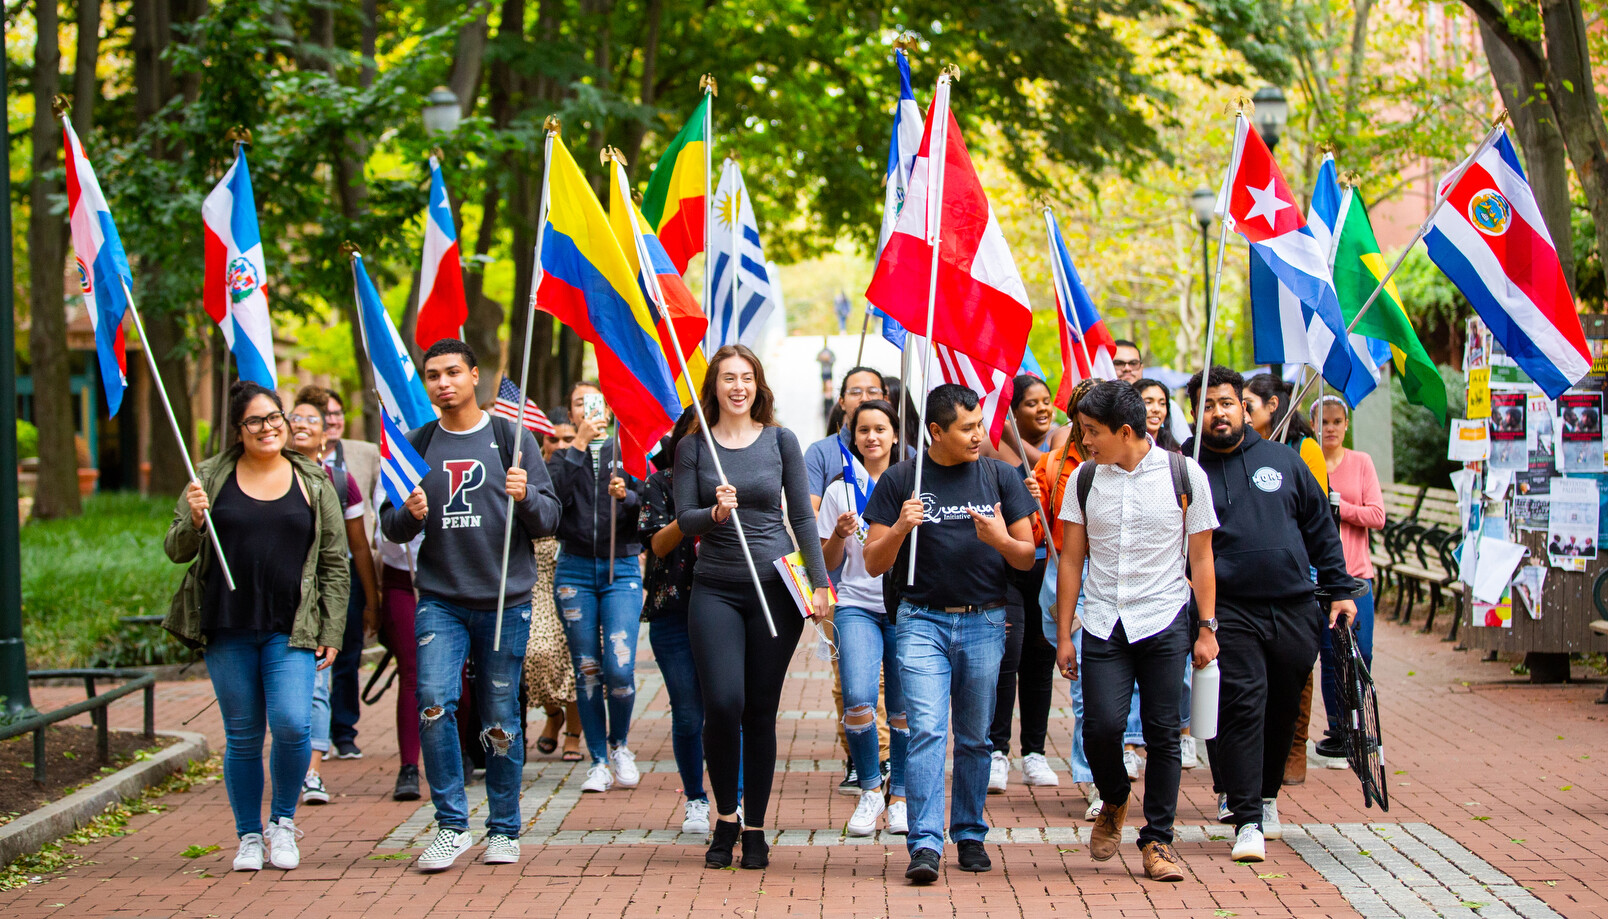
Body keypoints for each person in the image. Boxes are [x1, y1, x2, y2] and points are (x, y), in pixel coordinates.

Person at [380, 339, 562, 873]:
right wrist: (409, 514)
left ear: (474, 376)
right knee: (434, 702)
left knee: (499, 716)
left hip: (505, 600)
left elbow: (549, 520)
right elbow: (389, 526)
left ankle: (505, 830)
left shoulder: (512, 438)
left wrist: (526, 494)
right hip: (441, 599)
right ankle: (451, 826)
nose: (443, 383)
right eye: (433, 375)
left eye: (453, 372)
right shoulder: (417, 444)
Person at [163, 381, 349, 872]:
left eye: (274, 418)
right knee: (243, 736)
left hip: (292, 626)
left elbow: (334, 562)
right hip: (228, 625)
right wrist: (196, 521)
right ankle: (249, 835)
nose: (267, 428)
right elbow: (176, 549)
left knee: (292, 723)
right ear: (237, 429)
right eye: (255, 421)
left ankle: (283, 823)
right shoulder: (208, 477)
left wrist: (333, 630)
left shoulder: (312, 479)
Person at [863, 384, 1038, 884]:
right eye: (967, 428)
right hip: (921, 621)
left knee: (975, 736)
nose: (979, 434)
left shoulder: (1000, 474)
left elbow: (1027, 555)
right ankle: (923, 843)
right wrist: (899, 528)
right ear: (936, 431)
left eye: (980, 424)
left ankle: (969, 832)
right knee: (926, 731)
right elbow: (874, 562)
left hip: (985, 620)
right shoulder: (902, 479)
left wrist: (998, 538)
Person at [1184, 366, 1356, 864]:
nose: (1217, 412)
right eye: (1206, 404)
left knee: (1283, 711)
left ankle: (1264, 795)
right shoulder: (1183, 469)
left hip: (1295, 607)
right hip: (1229, 612)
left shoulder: (1284, 459)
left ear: (1244, 406)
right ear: (1195, 411)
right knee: (1243, 704)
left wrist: (1340, 589)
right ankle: (1246, 819)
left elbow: (1320, 525)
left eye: (1226, 402)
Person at [1053, 381, 1219, 882]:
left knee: (1165, 733)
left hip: (1165, 617)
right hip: (1104, 621)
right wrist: (1064, 633)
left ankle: (1159, 841)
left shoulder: (1183, 473)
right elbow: (1071, 558)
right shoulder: (1084, 479)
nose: (1084, 443)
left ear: (1126, 431)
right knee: (1100, 727)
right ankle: (1116, 798)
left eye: (1092, 432)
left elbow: (1202, 556)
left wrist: (1207, 627)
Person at [675, 344, 832, 870]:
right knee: (723, 702)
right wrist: (713, 512)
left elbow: (803, 518)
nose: (737, 387)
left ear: (757, 384)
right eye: (727, 378)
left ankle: (757, 827)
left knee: (760, 710)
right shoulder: (694, 447)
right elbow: (683, 520)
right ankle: (724, 817)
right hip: (715, 588)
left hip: (775, 588)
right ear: (713, 386)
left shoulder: (781, 440)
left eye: (746, 377)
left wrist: (821, 582)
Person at [547, 382, 646, 793]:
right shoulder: (562, 455)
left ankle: (620, 744)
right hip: (573, 570)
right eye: (578, 404)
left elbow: (648, 503)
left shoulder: (626, 450)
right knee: (587, 669)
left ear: (608, 407)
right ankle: (598, 760)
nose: (587, 410)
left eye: (594, 402)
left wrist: (626, 496)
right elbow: (550, 498)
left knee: (619, 668)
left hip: (620, 566)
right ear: (571, 413)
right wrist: (577, 446)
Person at [819, 399, 908, 836]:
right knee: (857, 698)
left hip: (906, 605)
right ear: (851, 437)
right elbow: (828, 561)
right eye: (863, 430)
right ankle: (872, 789)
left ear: (895, 434)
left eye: (880, 429)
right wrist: (837, 534)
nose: (872, 437)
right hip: (856, 604)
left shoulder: (913, 484)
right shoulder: (840, 489)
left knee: (905, 708)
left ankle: (903, 796)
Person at [286, 388, 379, 807]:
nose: (301, 425)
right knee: (285, 693)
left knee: (319, 683)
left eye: (311, 420)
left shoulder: (340, 482)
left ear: (326, 436)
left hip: (325, 597)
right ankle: (290, 761)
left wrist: (370, 598)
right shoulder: (266, 478)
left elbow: (358, 546)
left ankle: (312, 772)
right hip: (278, 599)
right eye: (294, 418)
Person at [804, 365, 892, 796]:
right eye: (854, 391)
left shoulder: (909, 471)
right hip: (843, 590)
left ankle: (887, 762)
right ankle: (864, 761)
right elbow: (809, 518)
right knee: (852, 683)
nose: (862, 395)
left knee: (892, 688)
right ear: (842, 403)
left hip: (899, 598)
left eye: (873, 391)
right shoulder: (826, 459)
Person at [1241, 373, 1327, 786]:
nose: (1241, 412)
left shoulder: (1301, 449)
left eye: (1248, 405)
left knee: (1296, 664)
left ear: (1271, 407)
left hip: (1298, 569)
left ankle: (1295, 744)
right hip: (1247, 583)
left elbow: (1316, 512)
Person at [987, 375, 1060, 792]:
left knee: (1040, 659)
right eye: (1031, 403)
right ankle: (998, 751)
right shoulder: (997, 452)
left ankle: (1034, 752)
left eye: (1046, 401)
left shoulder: (1065, 451)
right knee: (1007, 657)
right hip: (1008, 572)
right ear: (1011, 413)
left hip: (1047, 573)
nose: (1042, 408)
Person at [640, 408, 710, 834]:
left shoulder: (736, 480)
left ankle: (735, 798)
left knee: (728, 708)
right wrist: (695, 514)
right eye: (694, 437)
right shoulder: (659, 483)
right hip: (673, 611)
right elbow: (657, 544)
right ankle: (696, 800)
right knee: (688, 712)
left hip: (728, 609)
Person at [1309, 397, 1384, 764]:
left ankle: (1360, 723)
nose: (1331, 428)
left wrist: (1342, 508)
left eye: (1338, 421)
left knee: (1361, 652)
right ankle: (1338, 727)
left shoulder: (1361, 463)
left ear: (1346, 425)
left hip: (1358, 574)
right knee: (1330, 653)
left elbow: (1378, 515)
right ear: (1313, 426)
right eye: (1324, 421)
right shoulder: (1308, 463)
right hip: (1322, 577)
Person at [319, 390, 380, 761]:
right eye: (323, 414)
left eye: (337, 413)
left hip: (350, 570)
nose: (332, 420)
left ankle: (344, 731)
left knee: (347, 653)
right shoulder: (290, 457)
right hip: (308, 576)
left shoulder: (364, 454)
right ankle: (313, 733)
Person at [532, 407, 581, 764]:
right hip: (536, 566)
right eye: (554, 439)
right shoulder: (533, 472)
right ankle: (553, 715)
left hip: (575, 564)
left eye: (568, 438)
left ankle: (574, 733)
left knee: (577, 651)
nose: (561, 445)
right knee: (539, 651)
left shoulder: (584, 465)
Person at [1134, 379, 1181, 453]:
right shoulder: (1119, 453)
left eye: (1162, 403)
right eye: (1148, 402)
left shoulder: (1176, 455)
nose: (1156, 409)